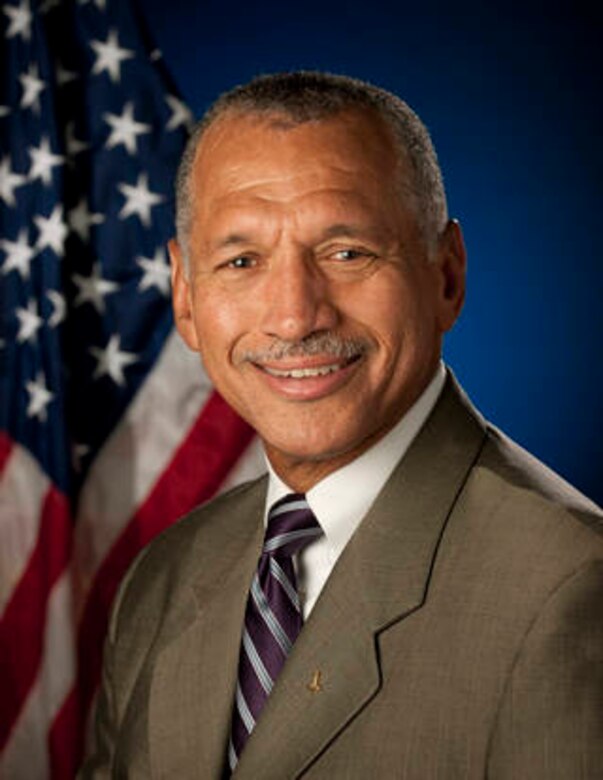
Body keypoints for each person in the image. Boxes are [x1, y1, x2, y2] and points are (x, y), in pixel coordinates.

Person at [81, 71, 603, 779]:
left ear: (445, 276)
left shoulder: (569, 588)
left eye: (346, 253)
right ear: (184, 297)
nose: (295, 315)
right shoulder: (166, 576)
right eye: (241, 261)